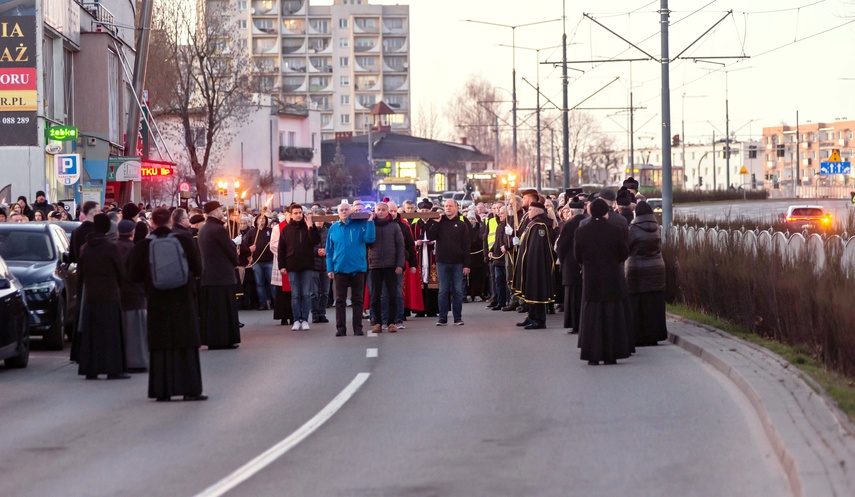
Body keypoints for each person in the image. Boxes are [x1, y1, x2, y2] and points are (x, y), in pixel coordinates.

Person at [129, 207, 207, 401]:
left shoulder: (143, 246)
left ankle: (162, 390)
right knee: (186, 344)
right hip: (183, 299)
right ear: (171, 222)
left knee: (161, 346)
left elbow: (133, 275)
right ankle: (190, 390)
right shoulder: (184, 240)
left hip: (157, 301)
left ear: (152, 223)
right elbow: (198, 267)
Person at [574, 198, 632, 365]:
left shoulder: (582, 232)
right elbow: (624, 253)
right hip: (612, 279)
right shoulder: (615, 230)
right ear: (606, 212)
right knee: (611, 317)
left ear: (590, 211)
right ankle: (610, 354)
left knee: (592, 318)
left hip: (592, 279)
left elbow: (577, 255)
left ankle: (592, 355)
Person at [76, 214, 128, 380]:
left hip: (91, 294)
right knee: (111, 333)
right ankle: (113, 369)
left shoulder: (85, 247)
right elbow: (121, 272)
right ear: (107, 228)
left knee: (92, 333)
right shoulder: (111, 248)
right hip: (110, 294)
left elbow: (81, 273)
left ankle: (91, 368)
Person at [326, 200, 375, 336]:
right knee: (340, 300)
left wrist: (370, 221)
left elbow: (370, 239)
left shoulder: (360, 225)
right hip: (340, 269)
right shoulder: (333, 228)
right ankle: (341, 328)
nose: (344, 212)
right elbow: (329, 250)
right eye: (341, 210)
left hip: (357, 268)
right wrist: (330, 268)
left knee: (357, 300)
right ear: (338, 212)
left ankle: (357, 327)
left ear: (351, 211)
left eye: (346, 210)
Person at [198, 201, 241, 349]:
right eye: (220, 209)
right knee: (223, 311)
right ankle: (224, 339)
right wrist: (236, 255)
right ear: (215, 211)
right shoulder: (218, 229)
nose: (222, 211)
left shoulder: (203, 229)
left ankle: (214, 340)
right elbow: (229, 250)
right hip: (222, 276)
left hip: (209, 276)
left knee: (213, 312)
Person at [626, 201, 668, 346]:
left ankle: (639, 336)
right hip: (657, 267)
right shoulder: (656, 228)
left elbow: (627, 248)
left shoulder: (632, 229)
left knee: (638, 303)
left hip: (637, 269)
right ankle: (654, 335)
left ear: (636, 213)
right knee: (654, 303)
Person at [426, 199, 471, 326]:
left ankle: (457, 318)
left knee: (457, 291)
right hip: (442, 262)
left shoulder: (462, 225)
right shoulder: (440, 222)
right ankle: (442, 318)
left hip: (458, 262)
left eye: (451, 206)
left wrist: (467, 264)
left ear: (456, 208)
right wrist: (436, 223)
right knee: (443, 290)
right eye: (446, 206)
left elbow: (467, 246)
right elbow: (430, 236)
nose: (448, 208)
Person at [511, 202, 556, 330]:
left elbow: (537, 248)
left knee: (537, 290)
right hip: (529, 263)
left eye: (531, 209)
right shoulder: (532, 223)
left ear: (537, 211)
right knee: (530, 289)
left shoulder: (540, 225)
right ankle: (531, 316)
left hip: (536, 264)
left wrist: (531, 262)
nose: (528, 212)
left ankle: (539, 320)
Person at [279, 203, 320, 331]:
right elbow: (281, 249)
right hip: (292, 265)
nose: (298, 215)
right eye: (295, 213)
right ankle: (296, 320)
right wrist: (282, 265)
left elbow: (315, 241)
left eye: (300, 213)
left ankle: (305, 319)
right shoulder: (286, 229)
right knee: (295, 294)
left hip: (307, 264)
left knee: (307, 294)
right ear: (291, 215)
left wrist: (310, 227)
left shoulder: (308, 226)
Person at [114, 219, 149, 373]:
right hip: (134, 293)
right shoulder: (133, 248)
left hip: (118, 293)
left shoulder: (113, 247)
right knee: (136, 331)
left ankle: (123, 360)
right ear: (133, 233)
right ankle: (137, 361)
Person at [367, 202, 405, 333]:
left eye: (383, 210)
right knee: (375, 296)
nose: (381, 212)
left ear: (388, 211)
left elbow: (401, 246)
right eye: (379, 209)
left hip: (391, 265)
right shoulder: (371, 224)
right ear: (375, 210)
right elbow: (366, 242)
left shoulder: (394, 226)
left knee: (392, 295)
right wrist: (369, 222)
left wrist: (400, 264)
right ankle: (377, 322)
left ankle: (391, 322)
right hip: (375, 265)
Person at [556, 199, 587, 334]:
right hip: (584, 263)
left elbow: (561, 246)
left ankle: (574, 323)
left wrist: (561, 260)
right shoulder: (587, 222)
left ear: (572, 212)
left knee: (572, 296)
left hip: (570, 263)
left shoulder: (569, 224)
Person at [413, 198, 439, 318]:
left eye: (426, 210)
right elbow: (409, 242)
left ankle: (432, 309)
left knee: (432, 281)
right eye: (422, 210)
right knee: (420, 282)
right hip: (419, 255)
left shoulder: (435, 224)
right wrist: (416, 243)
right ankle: (420, 309)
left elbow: (441, 240)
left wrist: (432, 243)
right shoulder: (414, 226)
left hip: (431, 255)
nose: (424, 212)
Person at [243, 213, 275, 310]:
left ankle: (275, 302)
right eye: (259, 219)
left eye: (263, 219)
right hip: (256, 261)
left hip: (269, 260)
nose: (261, 221)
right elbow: (245, 245)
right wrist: (249, 254)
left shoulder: (270, 231)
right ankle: (263, 303)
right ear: (256, 221)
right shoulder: (252, 232)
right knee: (259, 283)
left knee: (272, 282)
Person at [485, 201, 511, 311]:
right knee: (498, 281)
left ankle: (508, 301)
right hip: (497, 258)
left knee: (507, 282)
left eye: (502, 213)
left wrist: (506, 247)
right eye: (499, 213)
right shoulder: (499, 225)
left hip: (505, 257)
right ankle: (500, 302)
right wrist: (491, 250)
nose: (499, 215)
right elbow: (496, 241)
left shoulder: (509, 225)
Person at [270, 211, 294, 326]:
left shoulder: (297, 226)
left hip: (294, 262)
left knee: (294, 290)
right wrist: (287, 253)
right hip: (282, 261)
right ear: (287, 214)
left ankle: (294, 315)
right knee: (282, 291)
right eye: (290, 213)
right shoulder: (277, 228)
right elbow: (273, 245)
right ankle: (283, 316)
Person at [310, 208, 331, 323]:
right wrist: (316, 251)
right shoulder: (310, 230)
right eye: (317, 219)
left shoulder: (327, 231)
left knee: (325, 292)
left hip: (326, 265)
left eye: (321, 219)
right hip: (314, 265)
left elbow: (332, 245)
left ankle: (322, 313)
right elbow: (307, 247)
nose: (319, 222)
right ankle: (314, 314)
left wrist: (327, 251)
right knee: (314, 292)